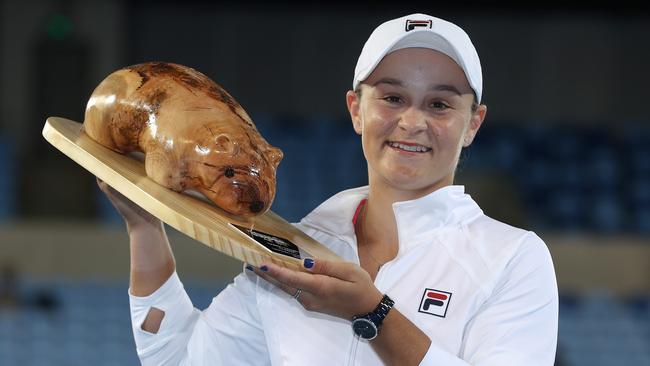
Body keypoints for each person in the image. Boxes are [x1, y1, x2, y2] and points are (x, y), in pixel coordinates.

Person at [98, 13, 558, 365]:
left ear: (472, 124)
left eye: (439, 104)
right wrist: (144, 228)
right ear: (356, 109)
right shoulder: (296, 250)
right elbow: (180, 359)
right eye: (392, 98)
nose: (413, 122)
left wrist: (375, 315)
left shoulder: (513, 259)